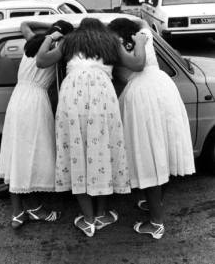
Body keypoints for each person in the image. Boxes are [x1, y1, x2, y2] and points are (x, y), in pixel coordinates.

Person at [36, 17, 147, 237]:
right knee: (102, 150)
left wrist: (50, 37)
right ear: (101, 28)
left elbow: (40, 61)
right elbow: (138, 64)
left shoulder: (69, 41)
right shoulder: (111, 40)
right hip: (102, 95)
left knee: (76, 151)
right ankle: (102, 214)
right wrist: (141, 43)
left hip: (72, 95)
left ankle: (87, 220)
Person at [108, 17, 195, 240]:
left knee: (149, 156)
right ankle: (153, 203)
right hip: (162, 89)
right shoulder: (145, 34)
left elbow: (136, 64)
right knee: (159, 152)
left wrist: (123, 42)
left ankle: (156, 223)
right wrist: (138, 28)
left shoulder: (130, 43)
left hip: (145, 95)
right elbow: (144, 21)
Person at [0, 19, 73, 230]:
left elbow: (24, 24)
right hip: (35, 103)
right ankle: (34, 208)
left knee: (17, 154)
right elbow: (45, 62)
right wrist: (57, 35)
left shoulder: (33, 41)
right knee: (34, 154)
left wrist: (49, 27)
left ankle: (18, 211)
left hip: (17, 98)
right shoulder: (57, 47)